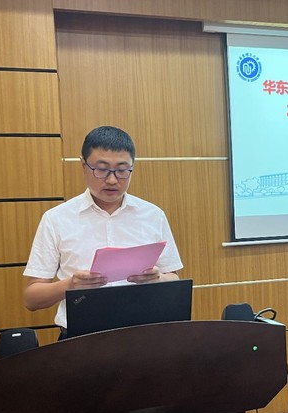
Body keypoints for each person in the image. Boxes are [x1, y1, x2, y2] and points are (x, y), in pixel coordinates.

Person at [23, 126, 183, 332]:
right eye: (101, 169)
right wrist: (70, 285)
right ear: (83, 165)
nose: (112, 180)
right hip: (81, 338)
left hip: (143, 334)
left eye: (122, 170)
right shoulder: (56, 219)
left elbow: (174, 278)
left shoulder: (152, 215)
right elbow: (32, 299)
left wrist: (158, 278)